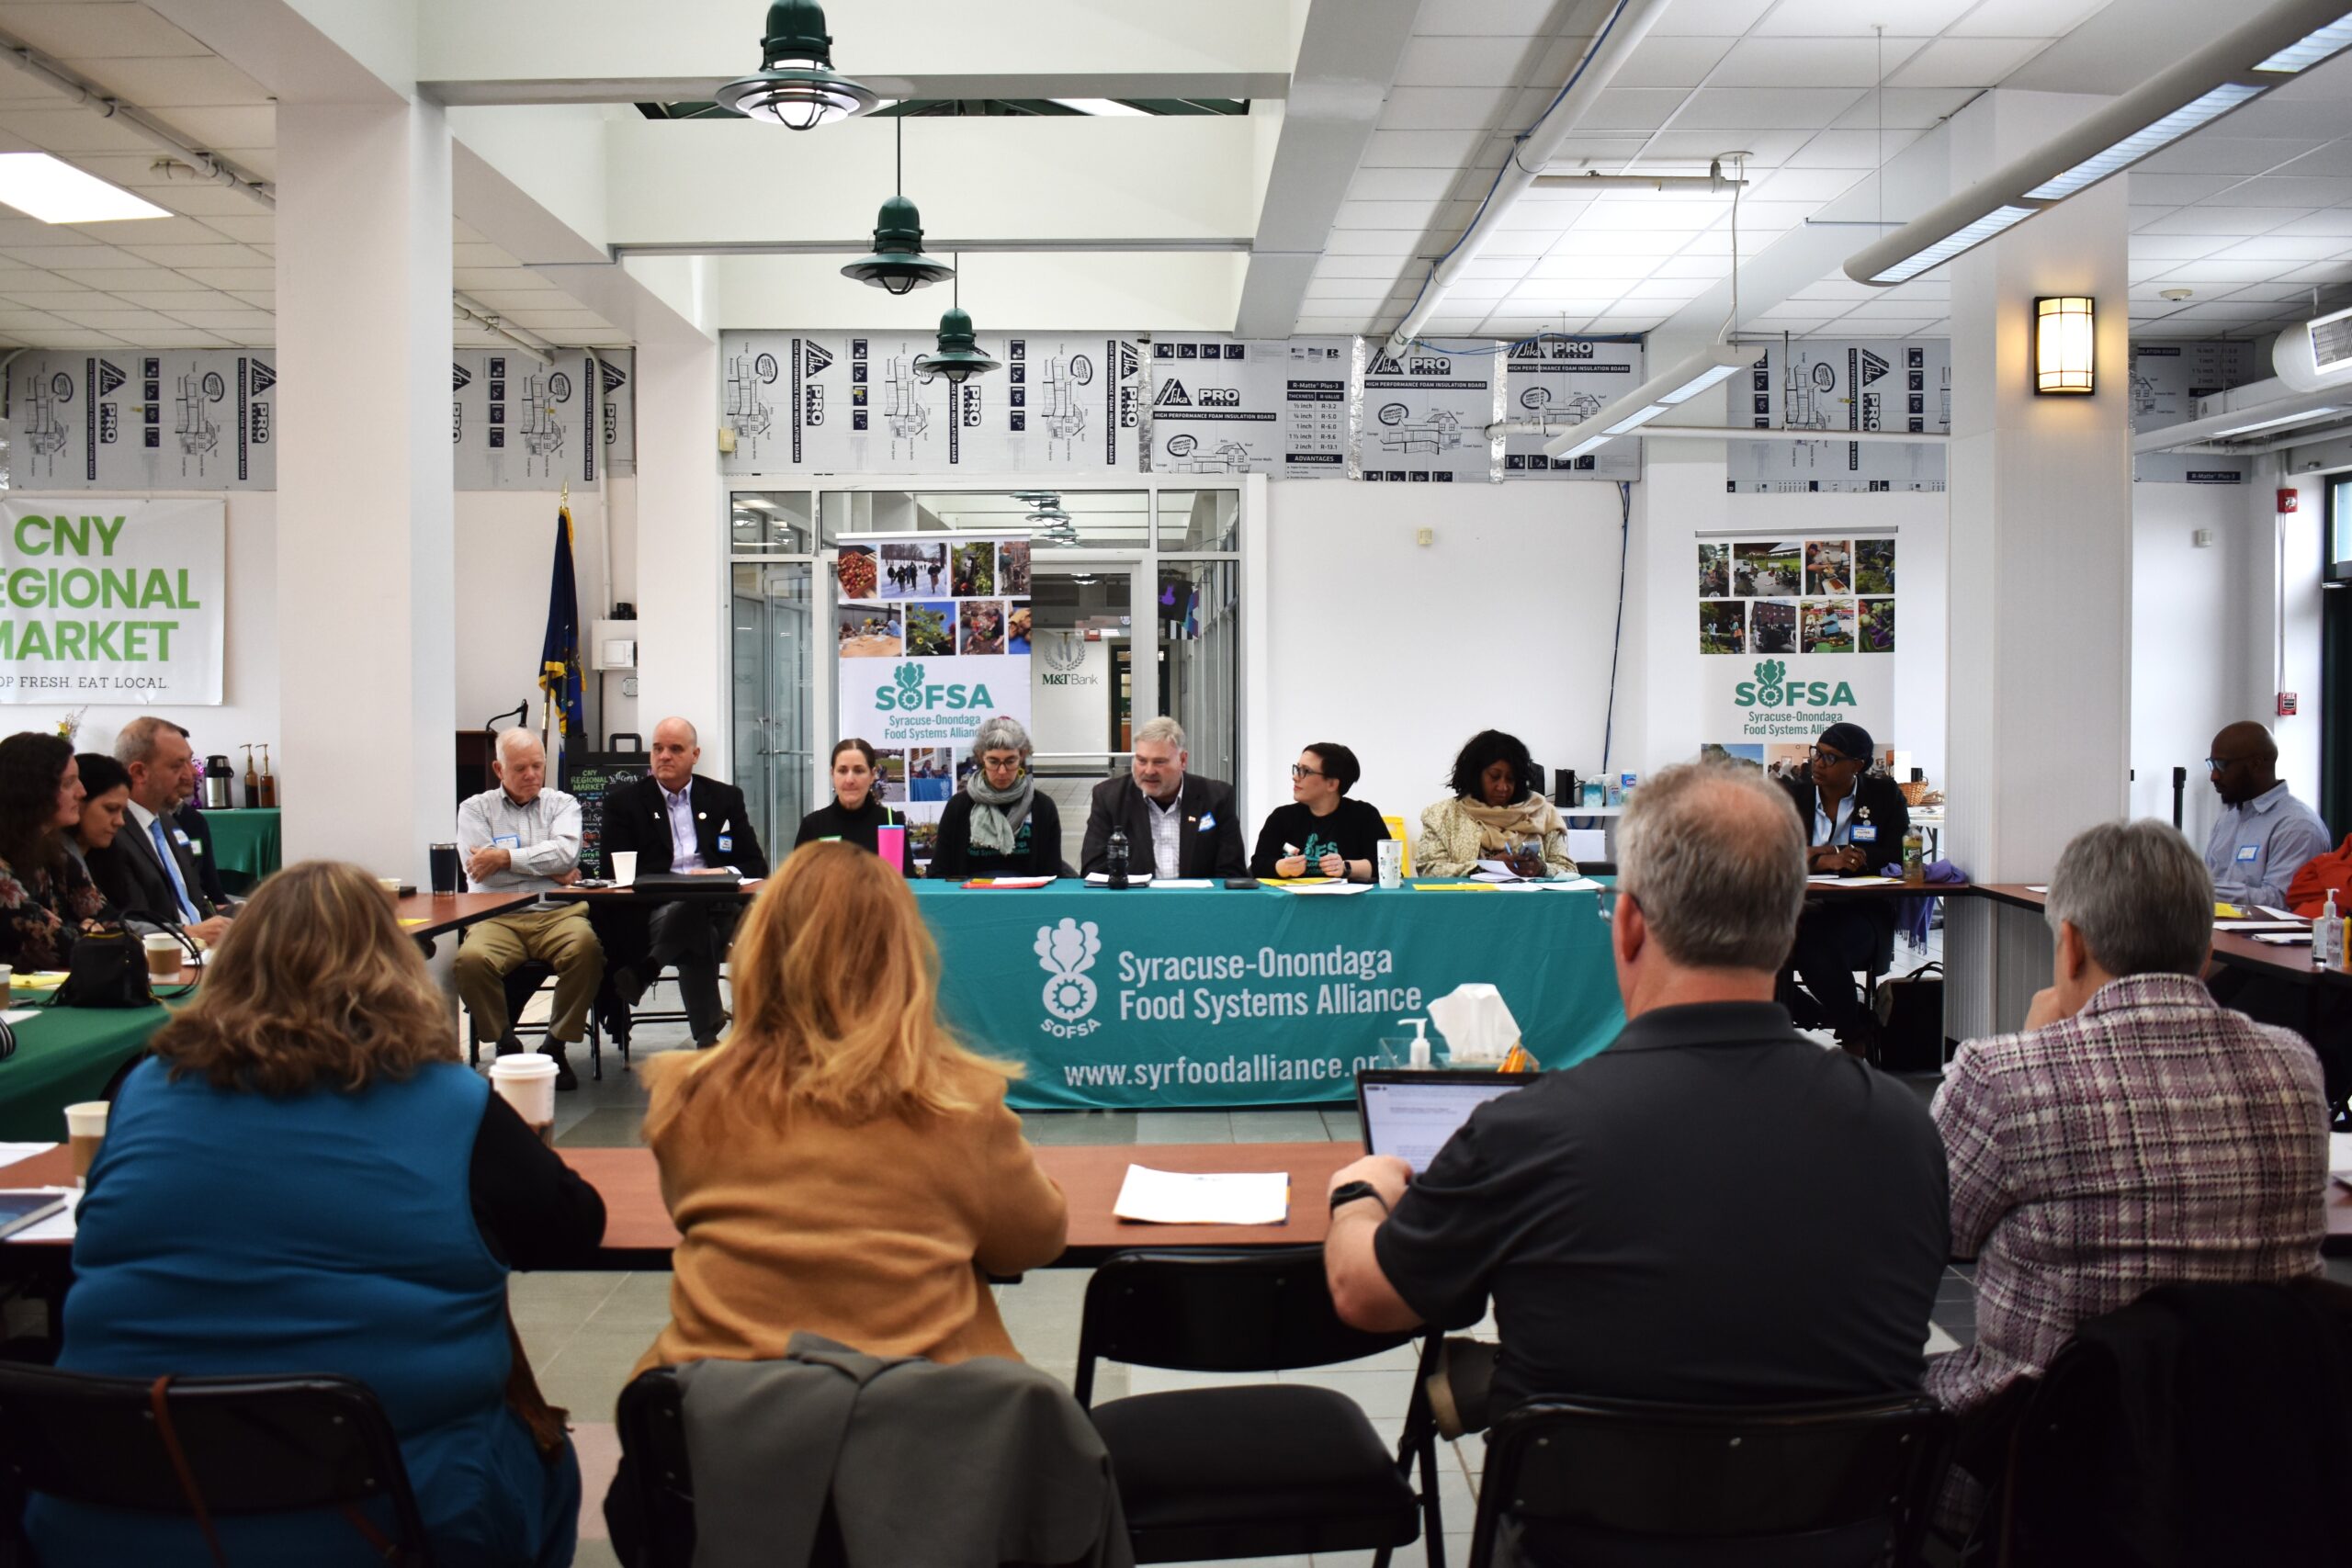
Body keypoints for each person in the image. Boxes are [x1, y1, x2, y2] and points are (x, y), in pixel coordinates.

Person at [1321, 763, 1947, 1459]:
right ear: (1790, 926)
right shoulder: (1904, 1130)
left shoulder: (1528, 1129)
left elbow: (1365, 1294)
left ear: (1626, 926)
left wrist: (1358, 1192)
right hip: (1847, 1532)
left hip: (1582, 1531)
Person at [27, 861, 605, 1568]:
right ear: (394, 968)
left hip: (108, 1504)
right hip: (383, 1516)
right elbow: (574, 1225)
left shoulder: (146, 1088)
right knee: (545, 1459)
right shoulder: (448, 1101)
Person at [609, 843, 1067, 1557]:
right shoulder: (960, 1103)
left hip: (720, 1450)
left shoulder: (686, 1097)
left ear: (758, 947)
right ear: (900, 957)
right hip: (929, 1464)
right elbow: (1036, 1239)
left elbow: (693, 1211)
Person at [1928, 820, 2326, 1519]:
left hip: (2035, 1465)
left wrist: (2031, 1047)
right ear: (2206, 954)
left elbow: (1936, 1231)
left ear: (2072, 942)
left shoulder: (2004, 1075)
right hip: (2252, 1464)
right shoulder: (2294, 1063)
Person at [601, 716, 768, 1050]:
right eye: (658, 748)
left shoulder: (724, 799)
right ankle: (707, 1040)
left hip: (725, 910)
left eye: (675, 749)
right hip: (656, 912)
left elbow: (756, 865)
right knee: (695, 924)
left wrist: (719, 874)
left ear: (695, 754)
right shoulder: (624, 804)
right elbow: (613, 871)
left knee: (702, 914)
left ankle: (648, 970)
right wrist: (678, 885)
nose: (664, 756)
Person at [451, 728, 604, 1091]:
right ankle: (505, 1043)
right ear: (499, 769)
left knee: (587, 951)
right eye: (520, 768)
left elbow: (567, 854)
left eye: (537, 766)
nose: (531, 775)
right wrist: (547, 865)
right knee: (469, 961)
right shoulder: (474, 809)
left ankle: (555, 1044)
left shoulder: (562, 803)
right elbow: (477, 866)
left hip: (556, 912)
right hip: (495, 914)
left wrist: (503, 857)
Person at [1777, 721, 1908, 1055]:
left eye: (1831, 758)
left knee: (1813, 947)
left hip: (1862, 912)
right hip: (1796, 910)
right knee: (1755, 951)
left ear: (1857, 765)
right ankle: (1849, 1020)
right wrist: (1823, 860)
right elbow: (1773, 851)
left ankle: (1853, 1037)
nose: (1818, 763)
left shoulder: (1883, 796)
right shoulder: (1794, 795)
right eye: (1817, 753)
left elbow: (1901, 852)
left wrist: (1856, 857)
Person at [88, 715, 231, 947]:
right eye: (177, 766)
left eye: (189, 761)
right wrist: (189, 933)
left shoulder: (167, 822)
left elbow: (194, 904)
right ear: (139, 773)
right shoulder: (109, 832)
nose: (191, 774)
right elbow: (118, 920)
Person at [1079, 716, 1247, 880]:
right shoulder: (1110, 798)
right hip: (1133, 904)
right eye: (1142, 761)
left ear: (1182, 760)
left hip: (1197, 904)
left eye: (1159, 762)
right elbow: (1094, 872)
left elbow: (1232, 873)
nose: (1149, 771)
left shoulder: (1217, 798)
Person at [0, 734, 111, 970]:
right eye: (68, 783)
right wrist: (82, 931)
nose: (81, 792)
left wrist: (85, 931)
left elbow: (112, 921)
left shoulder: (54, 850)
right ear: (32, 789)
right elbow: (55, 945)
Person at [1412, 729, 1575, 879]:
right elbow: (1428, 870)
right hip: (1466, 907)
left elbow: (1568, 869)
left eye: (1511, 779)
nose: (1503, 787)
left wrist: (1541, 869)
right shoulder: (1441, 816)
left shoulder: (1542, 813)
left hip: (1531, 907)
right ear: (1475, 776)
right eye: (1494, 776)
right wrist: (1483, 868)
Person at [2204, 720, 2329, 908]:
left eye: (2222, 765)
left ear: (2256, 764)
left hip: (2267, 937)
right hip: (2218, 934)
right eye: (2211, 764)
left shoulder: (2298, 825)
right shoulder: (2227, 820)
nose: (2214, 776)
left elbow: (2281, 902)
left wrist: (2201, 889)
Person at [929, 716, 1069, 879]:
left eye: (1010, 761)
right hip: (969, 899)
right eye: (993, 762)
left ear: (1022, 756)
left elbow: (1052, 873)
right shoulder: (959, 806)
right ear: (981, 757)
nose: (1002, 771)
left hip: (1028, 900)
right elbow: (939, 870)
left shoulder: (1042, 806)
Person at [1250, 742, 1390, 882]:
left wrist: (1345, 867)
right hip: (1294, 902)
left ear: (1332, 784)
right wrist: (1282, 867)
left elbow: (1389, 867)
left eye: (1306, 771)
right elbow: (1257, 865)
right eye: (1297, 769)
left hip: (1348, 902)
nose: (1295, 777)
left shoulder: (1364, 816)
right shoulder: (1282, 817)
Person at [794, 737, 913, 875]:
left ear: (872, 775)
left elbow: (908, 882)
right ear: (832, 774)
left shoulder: (891, 822)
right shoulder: (813, 826)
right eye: (842, 771)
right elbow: (797, 885)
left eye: (859, 770)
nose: (850, 780)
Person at [62, 751, 131, 883]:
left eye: (123, 812)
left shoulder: (115, 859)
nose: (120, 821)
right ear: (78, 801)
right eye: (111, 809)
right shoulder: (49, 865)